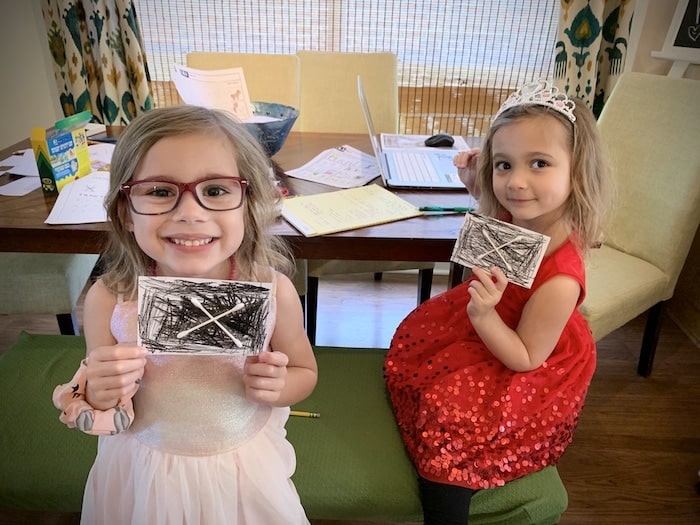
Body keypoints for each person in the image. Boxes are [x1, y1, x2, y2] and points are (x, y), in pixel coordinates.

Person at [52, 105, 318, 524]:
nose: (190, 213)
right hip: (144, 469)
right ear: (125, 210)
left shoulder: (273, 291)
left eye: (215, 190)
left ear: (249, 205)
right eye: (159, 191)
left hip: (242, 470)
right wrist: (102, 390)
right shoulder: (110, 297)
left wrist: (280, 385)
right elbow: (102, 399)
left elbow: (305, 370)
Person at [384, 80, 613, 524]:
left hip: (524, 351)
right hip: (492, 317)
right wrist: (478, 188)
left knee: (453, 419)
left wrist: (483, 315)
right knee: (420, 363)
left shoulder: (562, 280)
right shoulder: (524, 211)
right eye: (504, 165)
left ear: (578, 171)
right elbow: (502, 224)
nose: (516, 182)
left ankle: (448, 503)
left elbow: (526, 357)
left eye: (539, 163)